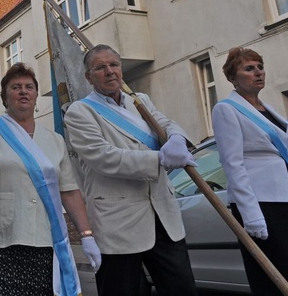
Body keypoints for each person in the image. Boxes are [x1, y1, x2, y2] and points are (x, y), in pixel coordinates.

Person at [0, 62, 101, 296]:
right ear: (5, 97)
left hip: (44, 239)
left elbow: (69, 192)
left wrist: (86, 235)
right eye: (16, 87)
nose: (23, 91)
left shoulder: (54, 140)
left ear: (35, 96)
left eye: (29, 87)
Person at [63, 44, 197, 296]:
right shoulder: (79, 112)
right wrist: (160, 158)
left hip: (163, 217)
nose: (110, 71)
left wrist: (177, 138)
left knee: (183, 290)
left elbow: (166, 124)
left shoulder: (140, 101)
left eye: (114, 65)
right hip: (118, 223)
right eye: (100, 67)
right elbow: (104, 158)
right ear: (88, 77)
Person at [211, 47, 288, 295]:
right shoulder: (226, 109)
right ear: (232, 77)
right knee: (274, 277)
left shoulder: (266, 108)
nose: (258, 73)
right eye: (249, 68)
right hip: (260, 203)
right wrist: (251, 214)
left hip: (286, 196)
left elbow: (266, 150)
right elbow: (233, 163)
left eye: (260, 67)